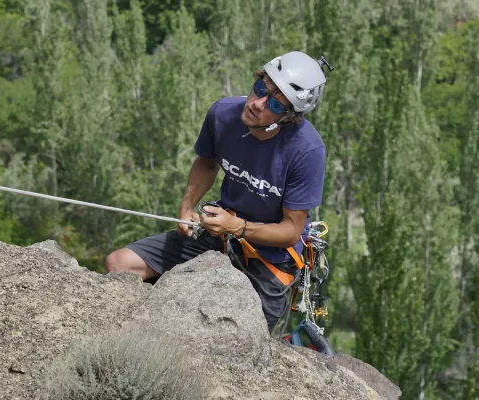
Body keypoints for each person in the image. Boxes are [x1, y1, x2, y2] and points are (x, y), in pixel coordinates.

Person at [106, 51, 332, 332]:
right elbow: (207, 161)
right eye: (261, 88)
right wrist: (187, 206)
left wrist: (237, 226)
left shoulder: (306, 151)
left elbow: (290, 231)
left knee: (236, 336)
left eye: (274, 102)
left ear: (286, 118)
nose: (258, 103)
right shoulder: (223, 115)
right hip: (220, 233)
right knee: (119, 264)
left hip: (270, 259)